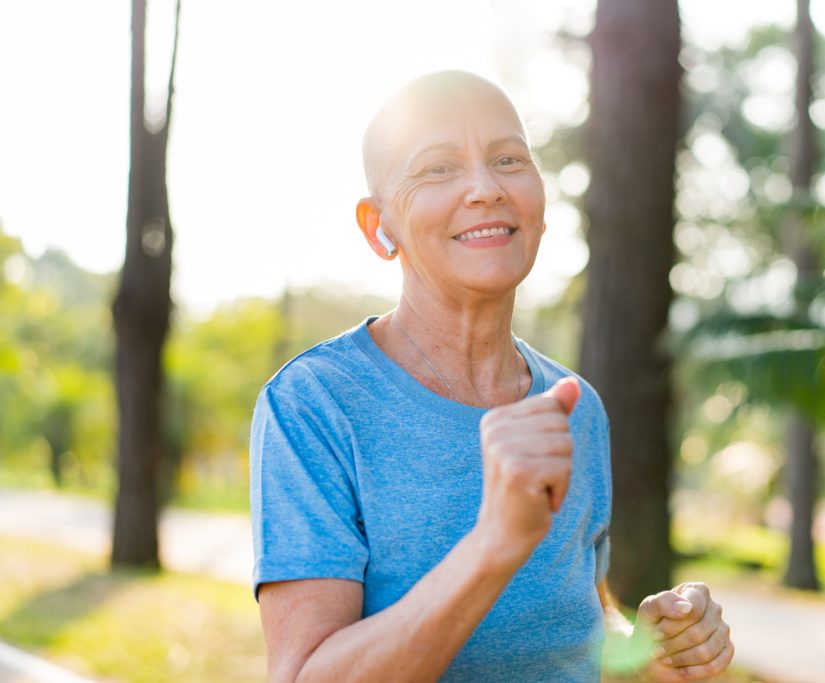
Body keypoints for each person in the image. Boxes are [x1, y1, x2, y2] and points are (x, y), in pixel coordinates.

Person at [249, 70, 734, 682]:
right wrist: (493, 545)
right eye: (437, 168)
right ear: (380, 228)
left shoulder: (574, 408)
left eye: (509, 160)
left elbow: (572, 626)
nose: (485, 188)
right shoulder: (315, 403)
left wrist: (648, 646)